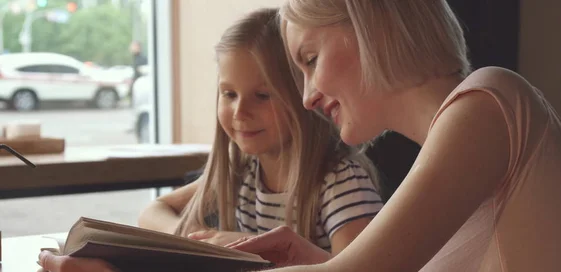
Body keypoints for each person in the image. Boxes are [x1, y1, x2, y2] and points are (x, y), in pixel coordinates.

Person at [34, 1, 561, 272]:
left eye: (309, 60)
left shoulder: (489, 103)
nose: (306, 96)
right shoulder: (453, 141)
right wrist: (321, 265)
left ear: (371, 23)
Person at [134, 8, 382, 254]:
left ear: (304, 95)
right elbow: (152, 212)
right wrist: (198, 239)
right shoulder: (239, 170)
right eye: (229, 94)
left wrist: (251, 249)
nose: (240, 112)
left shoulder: (340, 182)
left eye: (262, 96)